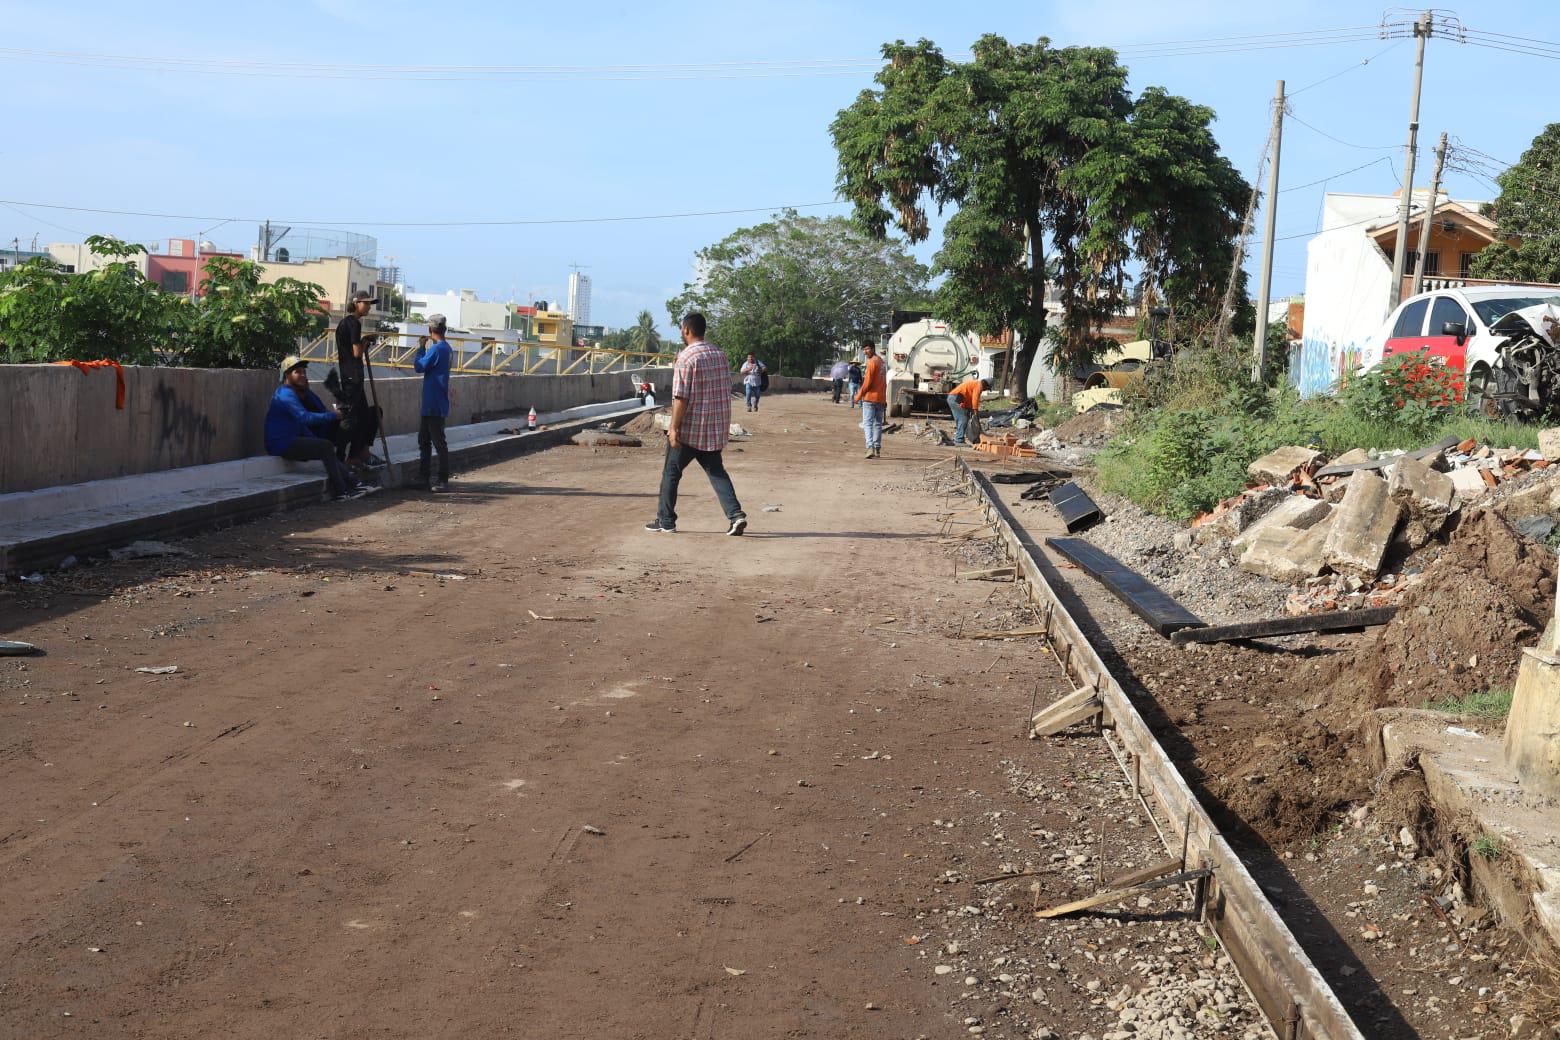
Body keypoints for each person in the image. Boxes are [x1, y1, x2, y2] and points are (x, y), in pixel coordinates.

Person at [646, 313, 748, 535]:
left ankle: (665, 521)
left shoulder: (686, 358)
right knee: (716, 472)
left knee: (671, 472)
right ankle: (736, 515)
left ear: (686, 330)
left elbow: (680, 398)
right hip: (714, 426)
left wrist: (673, 428)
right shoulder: (720, 355)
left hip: (690, 429)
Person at [266, 356, 370, 501]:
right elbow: (305, 418)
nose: (302, 375)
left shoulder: (295, 394)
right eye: (297, 372)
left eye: (304, 372)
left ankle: (353, 482)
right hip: (281, 444)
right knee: (325, 446)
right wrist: (333, 416)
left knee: (325, 447)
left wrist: (315, 441)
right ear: (286, 375)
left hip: (290, 440)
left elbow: (300, 425)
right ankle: (342, 491)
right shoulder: (285, 393)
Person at [334, 290, 382, 476]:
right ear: (356, 303)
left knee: (365, 416)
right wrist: (364, 343)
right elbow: (356, 353)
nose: (369, 307)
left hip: (350, 378)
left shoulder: (344, 323)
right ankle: (341, 457)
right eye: (366, 303)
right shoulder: (354, 323)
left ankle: (358, 455)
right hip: (352, 379)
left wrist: (363, 341)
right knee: (352, 420)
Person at [414, 314, 454, 492]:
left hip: (433, 403)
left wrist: (421, 348)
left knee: (436, 443)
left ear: (431, 330)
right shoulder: (447, 349)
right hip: (436, 402)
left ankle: (442, 480)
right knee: (425, 440)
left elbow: (419, 367)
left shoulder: (436, 350)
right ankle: (424, 478)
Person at [853, 341, 887, 459]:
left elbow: (867, 382)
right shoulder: (882, 362)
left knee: (867, 423)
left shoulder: (871, 362)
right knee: (877, 424)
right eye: (864, 349)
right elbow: (884, 382)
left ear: (873, 349)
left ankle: (870, 447)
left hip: (870, 398)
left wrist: (858, 395)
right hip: (880, 398)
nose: (865, 352)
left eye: (867, 349)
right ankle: (877, 449)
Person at [947, 376, 993, 446]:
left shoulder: (976, 384)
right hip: (955, 398)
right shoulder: (979, 386)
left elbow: (969, 399)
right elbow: (975, 399)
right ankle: (959, 440)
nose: (986, 390)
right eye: (987, 389)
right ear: (986, 385)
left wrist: (971, 410)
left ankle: (959, 437)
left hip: (954, 398)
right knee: (963, 419)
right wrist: (975, 411)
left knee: (962, 418)